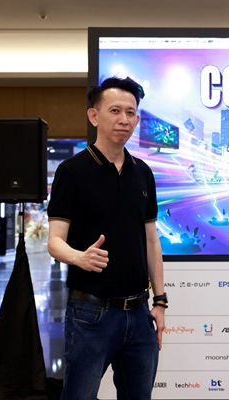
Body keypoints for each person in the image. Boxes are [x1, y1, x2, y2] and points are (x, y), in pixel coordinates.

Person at [47, 76, 166, 400]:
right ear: (94, 115)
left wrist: (160, 301)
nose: (124, 119)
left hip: (139, 314)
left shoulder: (143, 173)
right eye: (115, 110)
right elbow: (55, 241)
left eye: (131, 112)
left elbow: (151, 241)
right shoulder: (72, 171)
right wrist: (79, 257)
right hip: (90, 314)